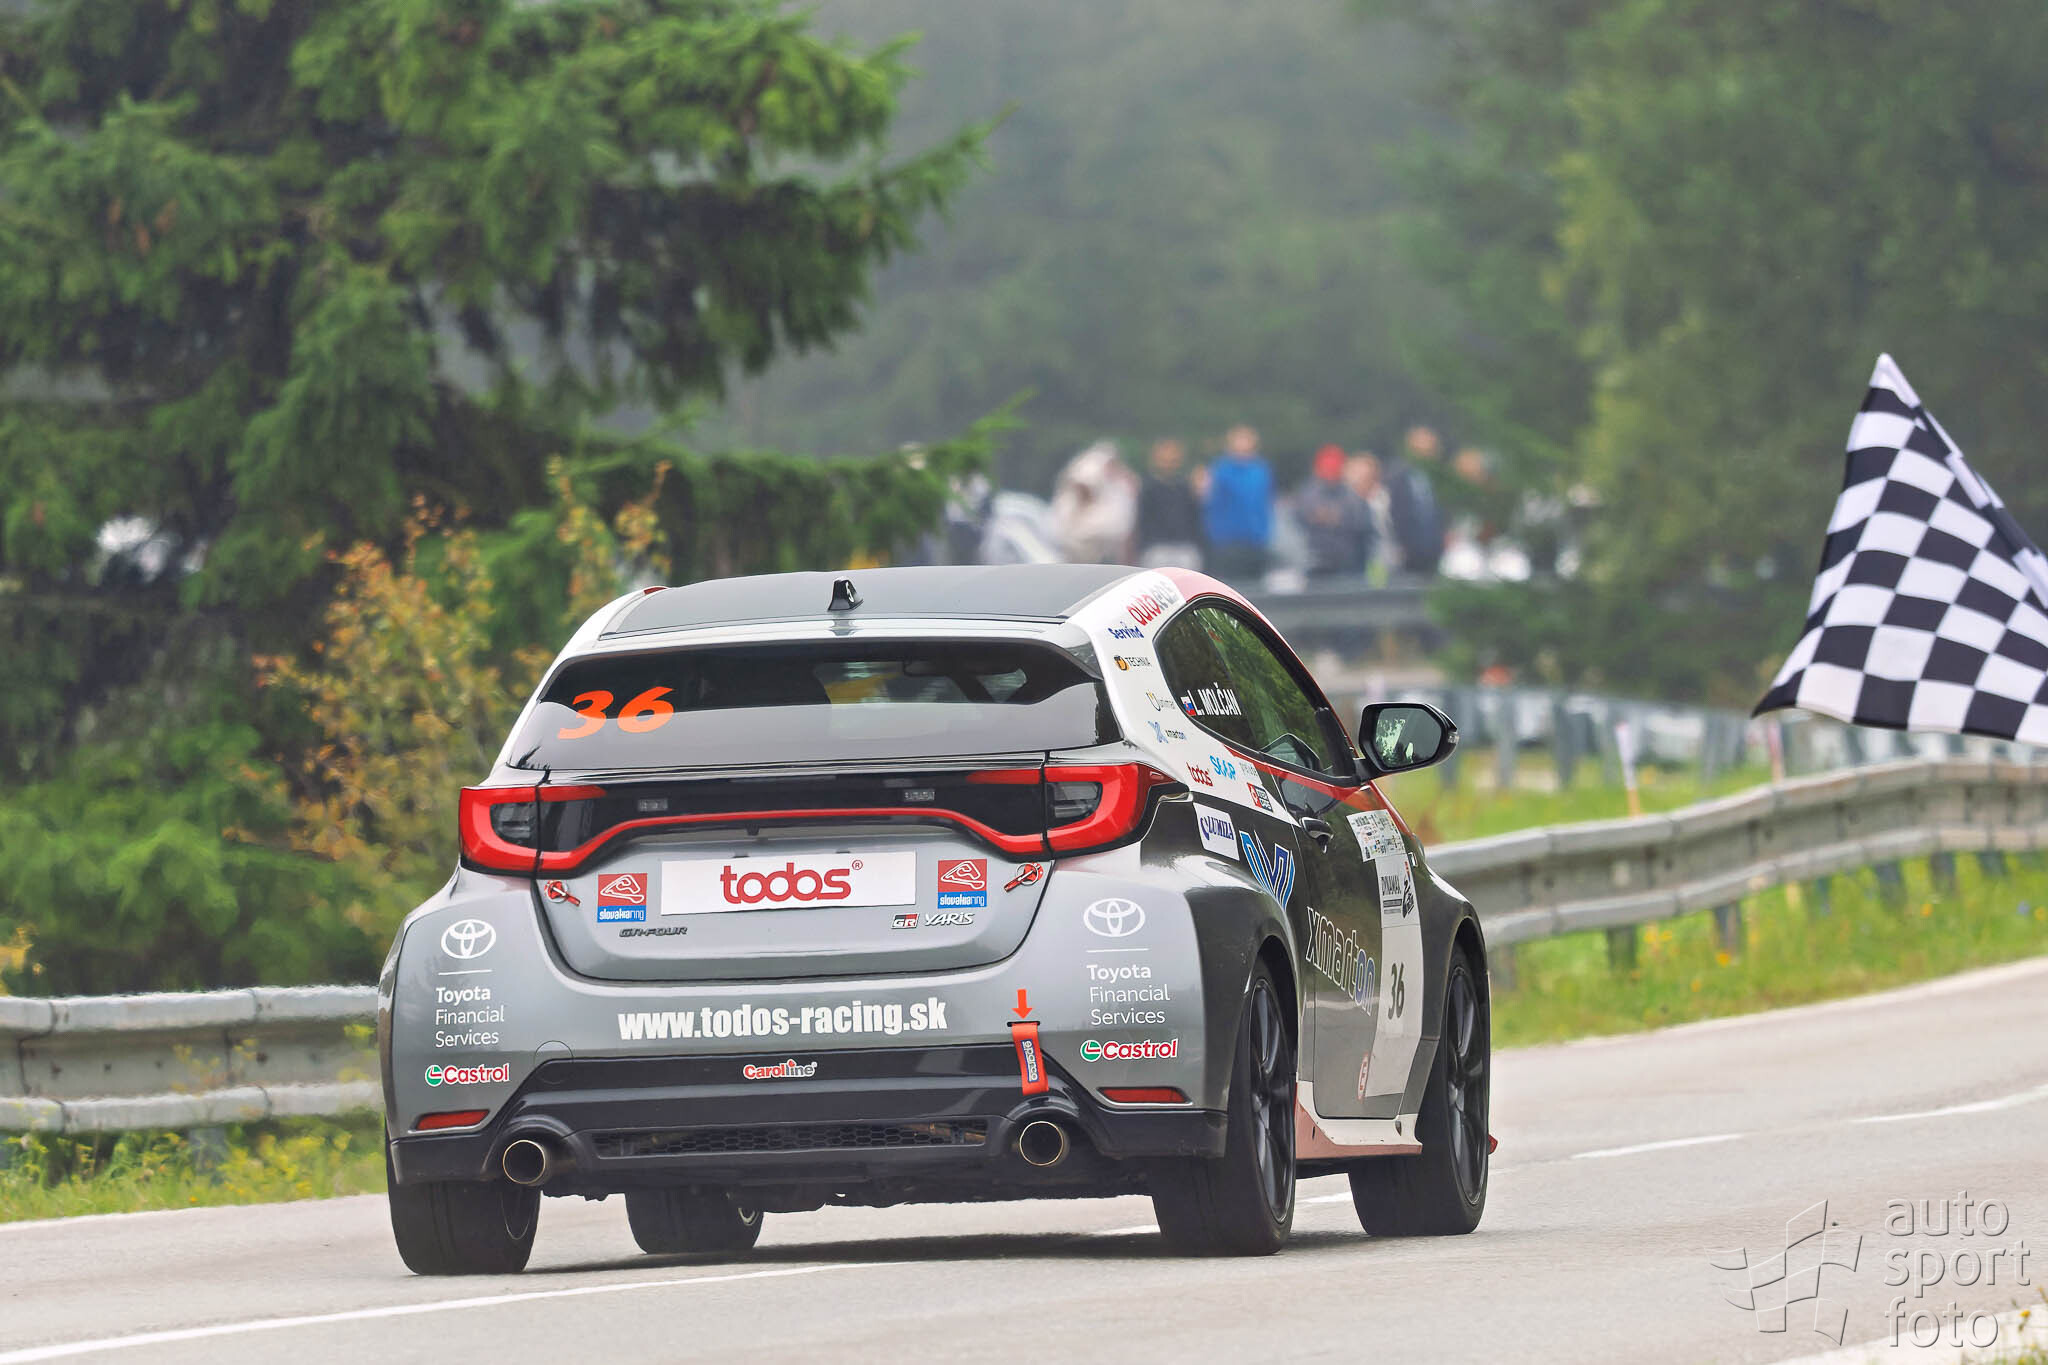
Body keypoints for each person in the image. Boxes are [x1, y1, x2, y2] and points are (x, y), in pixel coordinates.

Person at [1201, 424, 1274, 585]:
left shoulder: (1261, 470)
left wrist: (1264, 533)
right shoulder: (1220, 470)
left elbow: (1265, 504)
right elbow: (1212, 504)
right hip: (1227, 542)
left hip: (1256, 541)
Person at [1050, 439, 1139, 563]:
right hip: (1081, 541)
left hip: (1106, 544)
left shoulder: (1118, 485)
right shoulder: (1091, 466)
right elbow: (1082, 485)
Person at [1296, 443, 1375, 579]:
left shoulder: (1351, 494)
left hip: (1348, 564)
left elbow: (1359, 522)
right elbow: (1305, 516)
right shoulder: (1308, 492)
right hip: (1316, 562)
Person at [1383, 423, 1446, 576]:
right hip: (1407, 553)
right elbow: (1393, 513)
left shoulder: (1441, 479)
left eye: (1430, 449)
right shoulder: (1396, 478)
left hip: (1437, 550)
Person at [1135, 437, 1205, 568]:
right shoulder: (1146, 487)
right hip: (1156, 548)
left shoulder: (1186, 487)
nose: (1169, 463)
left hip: (1184, 547)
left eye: (1173, 459)